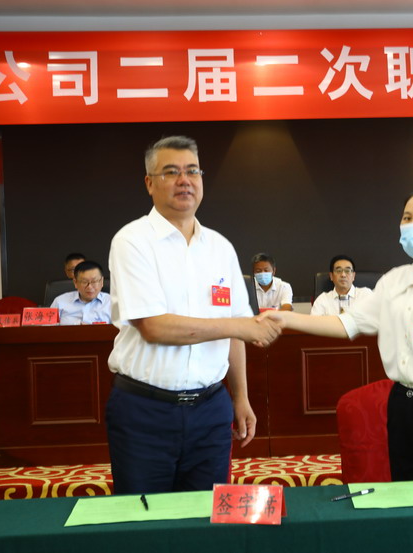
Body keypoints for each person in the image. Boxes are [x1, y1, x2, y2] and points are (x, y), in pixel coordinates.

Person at [260, 184, 413, 489]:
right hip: (401, 405)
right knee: (407, 497)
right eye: (407, 218)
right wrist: (285, 318)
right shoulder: (393, 280)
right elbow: (348, 323)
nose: (412, 225)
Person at [106, 135, 281, 495]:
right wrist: (238, 326)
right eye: (171, 172)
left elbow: (236, 333)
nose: (184, 180)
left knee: (207, 514)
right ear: (149, 183)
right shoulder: (132, 241)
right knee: (144, 516)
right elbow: (154, 327)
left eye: (192, 171)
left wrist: (240, 396)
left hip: (211, 409)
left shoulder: (220, 247)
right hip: (146, 410)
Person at [50, 260, 112, 325]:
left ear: (101, 281)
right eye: (84, 282)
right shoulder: (59, 302)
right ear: (75, 282)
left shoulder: (111, 302)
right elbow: (47, 328)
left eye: (94, 281)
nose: (89, 287)